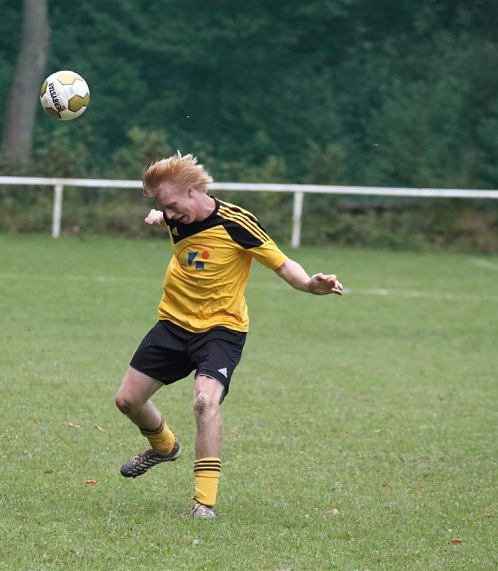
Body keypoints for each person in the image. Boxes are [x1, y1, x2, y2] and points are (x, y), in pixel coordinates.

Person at [115, 152, 343, 518]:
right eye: (164, 208)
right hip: (173, 324)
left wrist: (309, 284)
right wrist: (160, 216)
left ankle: (203, 503)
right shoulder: (176, 215)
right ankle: (163, 447)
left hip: (221, 330)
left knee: (205, 402)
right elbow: (171, 218)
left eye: (173, 205)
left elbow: (282, 263)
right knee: (127, 400)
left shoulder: (238, 224)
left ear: (193, 191)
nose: (171, 214)